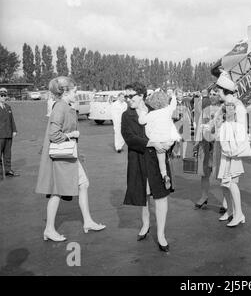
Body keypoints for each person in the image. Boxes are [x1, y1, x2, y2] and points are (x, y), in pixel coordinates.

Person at [35, 76, 105, 242]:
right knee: (57, 191)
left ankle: (87, 221)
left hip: (67, 156)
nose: (76, 93)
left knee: (82, 184)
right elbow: (53, 134)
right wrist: (71, 135)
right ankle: (49, 229)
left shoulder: (64, 106)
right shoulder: (61, 107)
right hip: (62, 157)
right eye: (74, 90)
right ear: (65, 91)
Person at [121, 83, 173, 251]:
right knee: (144, 194)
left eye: (131, 96)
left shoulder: (156, 109)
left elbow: (168, 127)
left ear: (141, 95)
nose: (128, 99)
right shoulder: (126, 115)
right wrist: (152, 143)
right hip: (138, 158)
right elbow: (129, 138)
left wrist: (167, 144)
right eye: (126, 96)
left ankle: (161, 235)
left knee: (161, 196)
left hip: (157, 160)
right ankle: (145, 224)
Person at [212, 72, 247, 227]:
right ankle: (231, 211)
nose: (216, 93)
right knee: (223, 181)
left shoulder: (238, 107)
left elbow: (241, 130)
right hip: (222, 147)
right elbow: (215, 122)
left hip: (232, 149)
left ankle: (239, 213)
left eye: (218, 91)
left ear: (225, 91)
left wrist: (234, 149)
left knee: (232, 182)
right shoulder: (224, 106)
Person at [137, 90, 181, 190]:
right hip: (169, 140)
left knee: (161, 160)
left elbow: (141, 121)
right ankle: (171, 152)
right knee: (167, 154)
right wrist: (173, 96)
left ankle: (164, 175)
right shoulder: (168, 110)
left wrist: (143, 111)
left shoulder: (152, 114)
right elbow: (173, 105)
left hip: (158, 141)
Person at [192, 88, 222, 209]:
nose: (212, 96)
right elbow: (199, 126)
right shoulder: (205, 110)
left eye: (215, 94)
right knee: (204, 173)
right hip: (205, 144)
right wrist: (197, 142)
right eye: (210, 94)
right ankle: (204, 196)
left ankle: (225, 201)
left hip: (218, 144)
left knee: (220, 173)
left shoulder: (223, 109)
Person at [0, 87, 19, 179]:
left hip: (8, 134)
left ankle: (8, 171)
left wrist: (14, 130)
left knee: (8, 154)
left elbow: (12, 120)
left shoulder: (8, 107)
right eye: (1, 95)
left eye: (4, 95)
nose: (3, 97)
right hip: (0, 135)